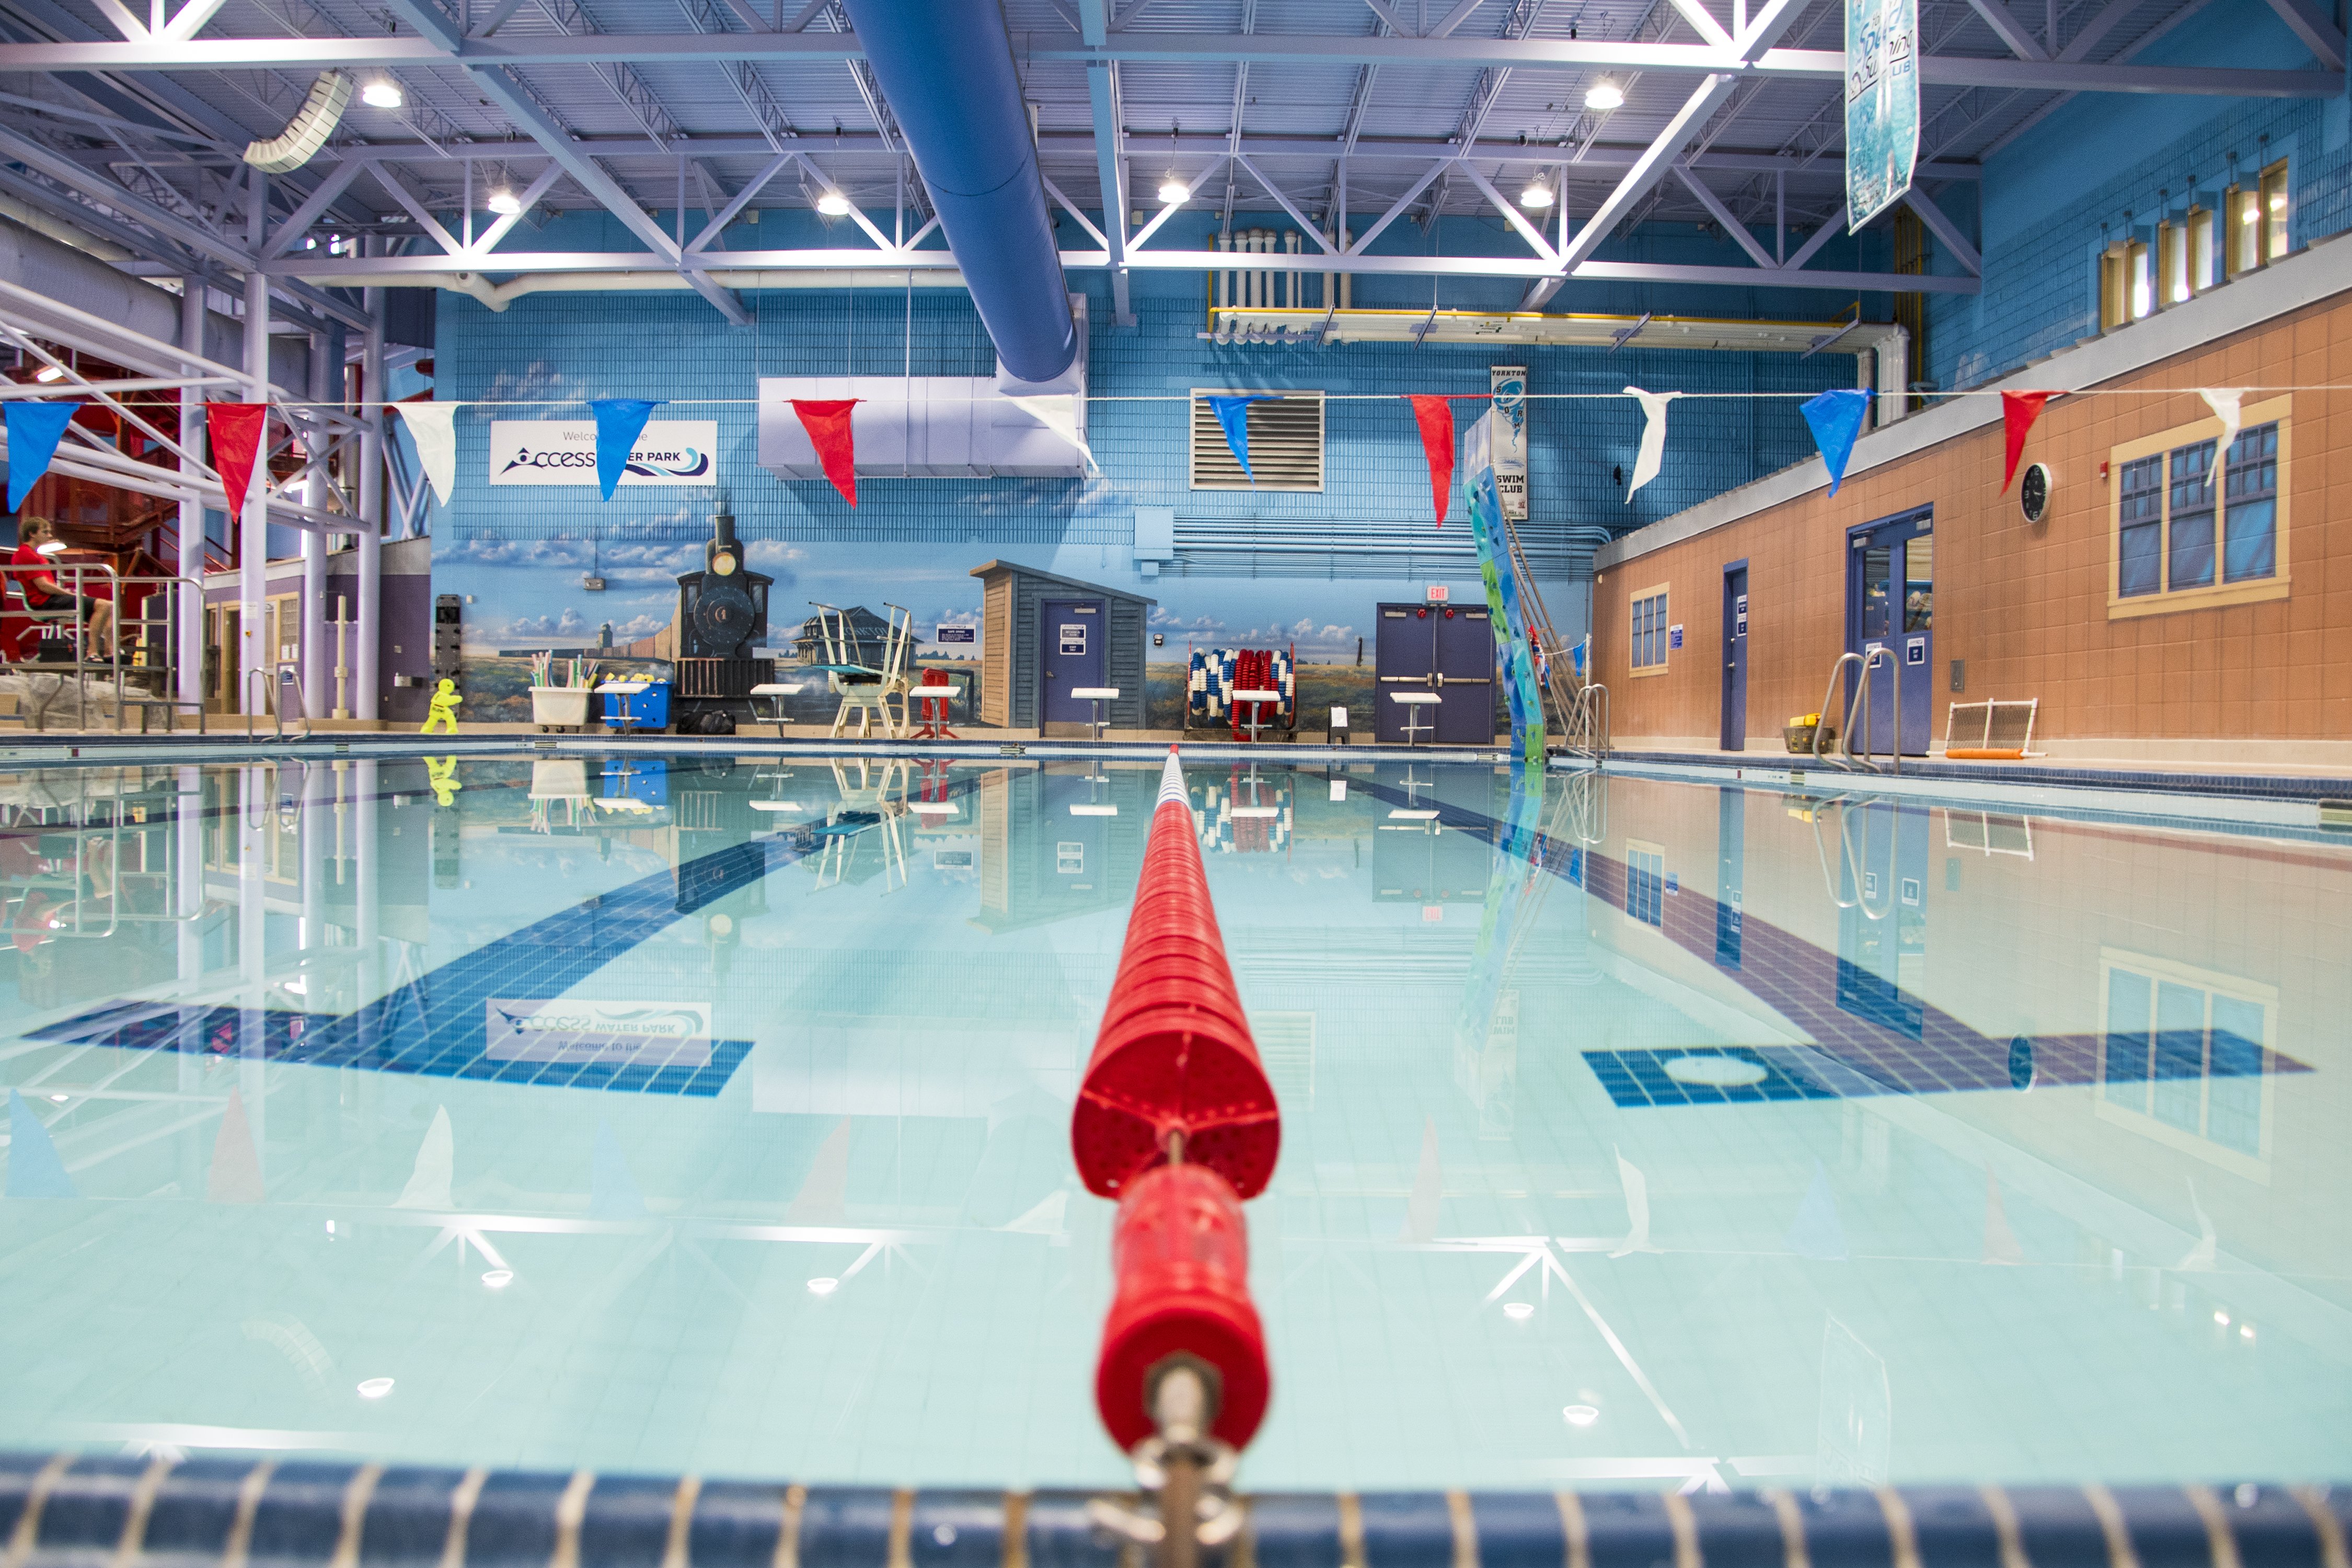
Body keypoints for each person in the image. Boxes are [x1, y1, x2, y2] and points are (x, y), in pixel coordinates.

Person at [9, 518, 113, 661]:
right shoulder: (25, 554)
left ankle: (110, 653)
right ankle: (92, 652)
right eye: (45, 532)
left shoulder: (36, 555)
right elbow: (43, 586)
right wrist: (69, 594)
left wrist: (70, 595)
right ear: (32, 534)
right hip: (44, 603)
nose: (50, 536)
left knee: (109, 609)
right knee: (104, 605)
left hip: (51, 599)